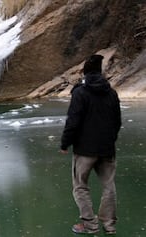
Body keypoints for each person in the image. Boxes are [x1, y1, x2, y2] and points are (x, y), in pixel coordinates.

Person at [60, 54, 122, 235]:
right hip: (107, 149)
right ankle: (109, 225)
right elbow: (117, 121)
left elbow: (73, 121)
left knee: (80, 186)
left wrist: (65, 143)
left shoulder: (80, 92)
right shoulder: (111, 93)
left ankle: (89, 224)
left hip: (85, 150)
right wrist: (110, 140)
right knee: (109, 186)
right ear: (100, 73)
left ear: (85, 73)